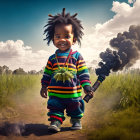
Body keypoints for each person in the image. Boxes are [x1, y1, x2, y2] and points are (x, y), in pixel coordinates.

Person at [40, 8, 93, 132]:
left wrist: (87, 87)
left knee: (76, 107)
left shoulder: (77, 57)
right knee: (54, 107)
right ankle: (55, 122)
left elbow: (83, 74)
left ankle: (76, 120)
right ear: (53, 39)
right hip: (55, 94)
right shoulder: (52, 58)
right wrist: (44, 86)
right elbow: (47, 74)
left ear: (74, 40)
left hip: (73, 94)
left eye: (67, 36)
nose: (62, 39)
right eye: (58, 36)